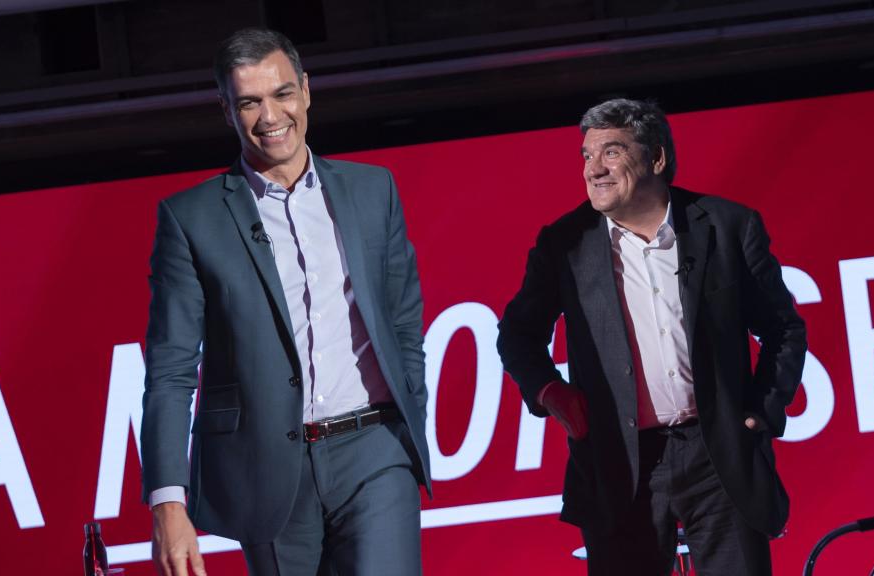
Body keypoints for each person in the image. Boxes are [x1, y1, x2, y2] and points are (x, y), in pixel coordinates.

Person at [140, 28, 430, 576]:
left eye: (282, 94)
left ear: (306, 90)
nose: (270, 115)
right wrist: (167, 503)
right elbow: (171, 370)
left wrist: (409, 405)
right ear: (226, 110)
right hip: (267, 468)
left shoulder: (373, 190)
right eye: (249, 101)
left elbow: (403, 320)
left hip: (375, 448)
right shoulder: (191, 218)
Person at [497, 98, 806, 575]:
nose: (593, 169)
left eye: (612, 152)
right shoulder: (565, 243)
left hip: (717, 453)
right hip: (618, 460)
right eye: (586, 155)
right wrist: (550, 392)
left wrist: (762, 410)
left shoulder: (726, 226)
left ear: (656, 159)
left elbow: (783, 328)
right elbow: (517, 334)